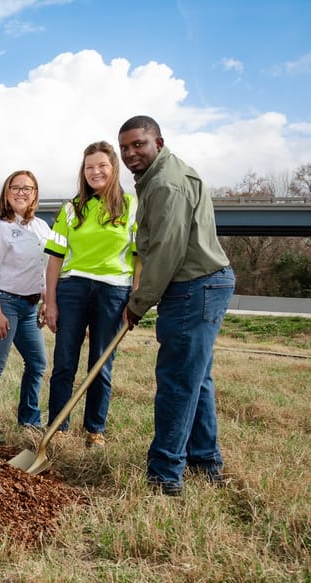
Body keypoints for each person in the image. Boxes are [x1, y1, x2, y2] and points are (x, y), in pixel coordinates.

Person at [118, 115, 235, 497]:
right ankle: (205, 461)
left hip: (192, 287)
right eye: (125, 148)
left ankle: (165, 474)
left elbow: (166, 252)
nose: (131, 153)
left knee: (177, 383)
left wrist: (138, 303)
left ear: (158, 142)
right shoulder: (159, 177)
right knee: (195, 379)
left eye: (138, 145)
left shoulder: (166, 184)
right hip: (203, 283)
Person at [43, 142, 138, 448]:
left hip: (114, 292)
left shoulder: (132, 205)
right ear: (83, 172)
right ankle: (57, 427)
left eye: (102, 166)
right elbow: (55, 258)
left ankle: (94, 429)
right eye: (89, 167)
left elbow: (141, 257)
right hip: (73, 289)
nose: (95, 172)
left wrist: (135, 299)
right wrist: (52, 301)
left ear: (114, 168)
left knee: (101, 362)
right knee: (64, 362)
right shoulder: (71, 208)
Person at [0, 170, 50, 443]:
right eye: (15, 188)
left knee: (38, 362)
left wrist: (46, 300)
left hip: (30, 307)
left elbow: (44, 269)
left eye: (27, 188)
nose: (21, 192)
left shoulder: (42, 228)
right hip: (4, 302)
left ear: (35, 194)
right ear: (6, 193)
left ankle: (29, 419)